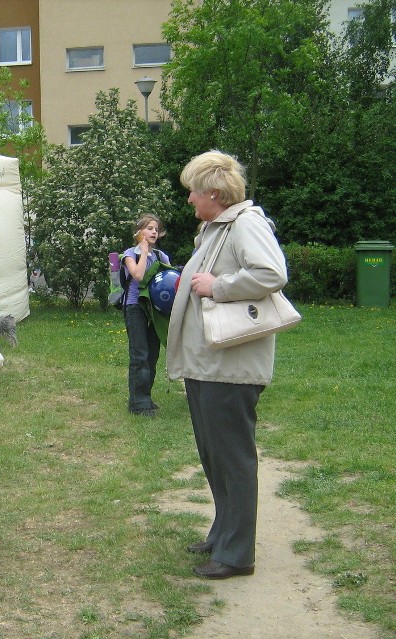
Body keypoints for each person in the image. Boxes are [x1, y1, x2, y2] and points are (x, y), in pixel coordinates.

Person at [167, 150, 289, 580]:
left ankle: (237, 554)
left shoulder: (245, 224)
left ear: (214, 193)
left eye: (194, 192)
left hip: (230, 367)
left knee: (233, 458)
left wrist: (218, 286)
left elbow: (271, 274)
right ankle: (223, 533)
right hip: (208, 364)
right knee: (214, 456)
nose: (189, 201)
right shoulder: (215, 228)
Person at [121, 215, 171, 416]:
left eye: (156, 229)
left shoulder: (160, 256)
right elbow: (138, 275)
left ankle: (145, 398)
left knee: (152, 354)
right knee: (139, 354)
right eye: (149, 228)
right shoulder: (129, 254)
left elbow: (170, 277)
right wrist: (143, 252)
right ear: (139, 231)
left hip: (155, 309)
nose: (153, 232)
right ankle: (137, 402)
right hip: (135, 308)